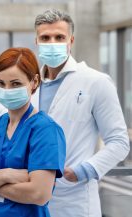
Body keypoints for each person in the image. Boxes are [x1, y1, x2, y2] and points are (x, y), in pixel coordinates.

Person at [30, 9, 131, 217]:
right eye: (45, 37)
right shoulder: (30, 86)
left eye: (59, 37)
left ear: (71, 40)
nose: (52, 43)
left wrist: (83, 171)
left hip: (74, 200)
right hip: (30, 197)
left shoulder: (96, 82)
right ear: (36, 42)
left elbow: (119, 141)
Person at [0, 47, 66, 217]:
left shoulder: (45, 130)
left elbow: (39, 194)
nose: (8, 90)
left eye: (16, 84)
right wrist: (7, 174)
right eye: (1, 83)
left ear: (34, 82)